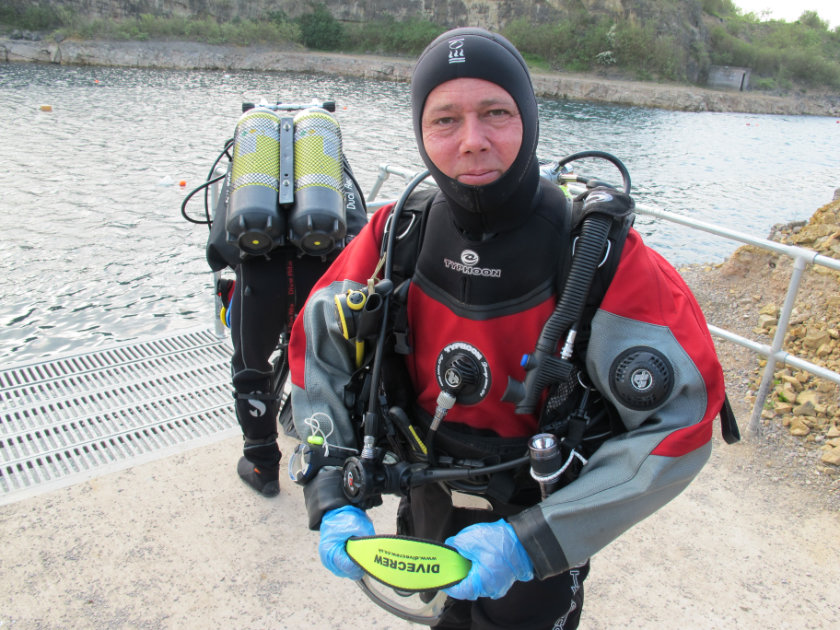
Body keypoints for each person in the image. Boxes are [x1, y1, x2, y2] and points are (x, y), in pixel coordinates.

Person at [288, 27, 732, 629]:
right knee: (449, 619)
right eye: (445, 120)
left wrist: (536, 541)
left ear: (529, 119)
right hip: (429, 494)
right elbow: (318, 354)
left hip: (543, 513)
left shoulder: (598, 258)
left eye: (495, 113)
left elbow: (682, 421)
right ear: (420, 132)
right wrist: (331, 487)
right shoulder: (397, 235)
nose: (472, 141)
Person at [207, 137, 367, 498]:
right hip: (320, 279)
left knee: (250, 370)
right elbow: (357, 227)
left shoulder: (248, 170)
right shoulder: (330, 161)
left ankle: (262, 465)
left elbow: (219, 247)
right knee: (328, 367)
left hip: (258, 283)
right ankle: (330, 467)